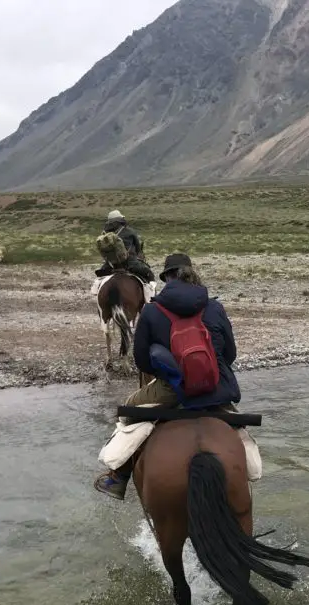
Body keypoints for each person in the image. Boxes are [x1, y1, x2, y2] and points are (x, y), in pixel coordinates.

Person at [93, 253, 241, 500]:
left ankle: (118, 477)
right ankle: (245, 475)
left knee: (129, 409)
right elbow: (230, 354)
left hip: (172, 390)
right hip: (216, 388)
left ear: (167, 278)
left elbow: (141, 361)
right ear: (192, 274)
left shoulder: (152, 311)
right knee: (238, 426)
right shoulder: (215, 307)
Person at [95, 209, 155, 283]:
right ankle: (152, 292)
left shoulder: (104, 234)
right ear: (120, 221)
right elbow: (138, 250)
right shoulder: (130, 231)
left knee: (99, 278)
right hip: (130, 263)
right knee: (149, 273)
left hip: (110, 265)